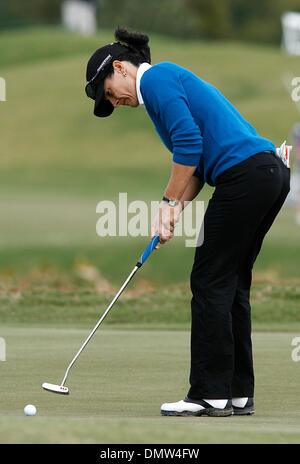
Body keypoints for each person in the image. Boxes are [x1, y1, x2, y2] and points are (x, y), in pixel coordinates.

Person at [85, 27, 290, 417]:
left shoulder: (158, 78)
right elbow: (194, 166)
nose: (114, 101)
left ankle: (208, 394)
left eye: (109, 91)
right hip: (268, 174)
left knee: (209, 280)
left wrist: (165, 203)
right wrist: (176, 209)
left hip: (246, 176)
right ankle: (237, 392)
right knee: (230, 282)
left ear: (120, 68)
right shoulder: (161, 89)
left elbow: (189, 144)